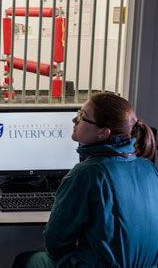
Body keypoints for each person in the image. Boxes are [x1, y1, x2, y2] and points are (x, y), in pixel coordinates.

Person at [13, 92, 158, 268]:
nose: (75, 120)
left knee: (25, 261)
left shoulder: (88, 173)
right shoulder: (149, 167)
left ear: (103, 133)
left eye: (82, 116)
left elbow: (55, 245)